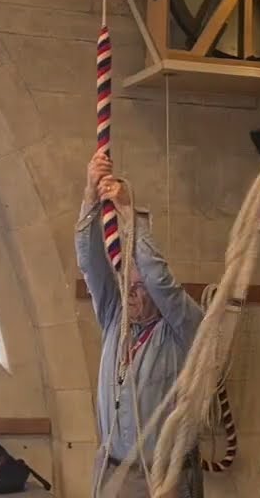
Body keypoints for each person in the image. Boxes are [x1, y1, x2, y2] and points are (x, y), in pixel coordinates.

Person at [76, 149, 204, 498]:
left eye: (137, 288)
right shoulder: (116, 319)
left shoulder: (184, 324)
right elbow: (90, 265)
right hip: (112, 471)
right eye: (125, 286)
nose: (129, 295)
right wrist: (90, 195)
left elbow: (159, 279)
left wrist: (130, 215)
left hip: (162, 478)